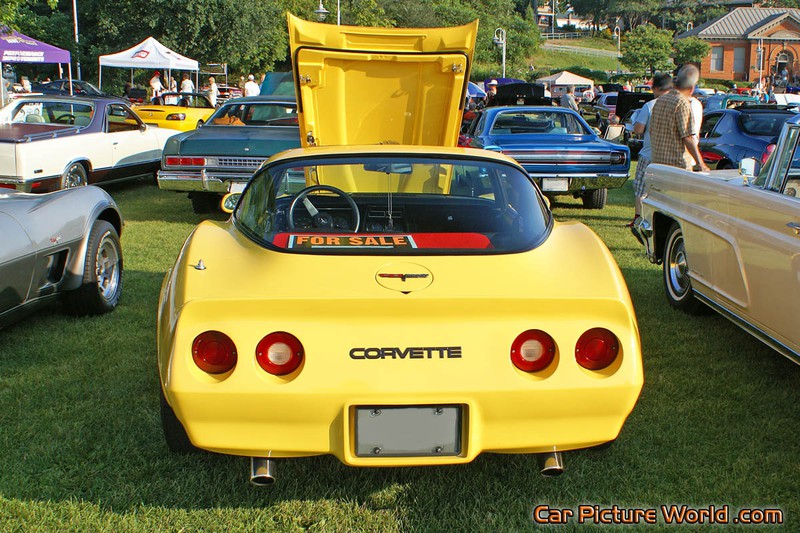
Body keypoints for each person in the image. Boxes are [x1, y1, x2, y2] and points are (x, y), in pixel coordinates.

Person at [629, 72, 674, 236]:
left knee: (641, 188)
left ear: (656, 88)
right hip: (669, 156)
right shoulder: (678, 105)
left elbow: (638, 129)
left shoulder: (650, 105)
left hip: (649, 154)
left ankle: (639, 219)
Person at [649, 64, 710, 173]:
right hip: (677, 167)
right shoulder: (682, 103)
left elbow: (651, 130)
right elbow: (688, 137)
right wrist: (701, 163)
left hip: (657, 164)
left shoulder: (660, 100)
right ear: (692, 88)